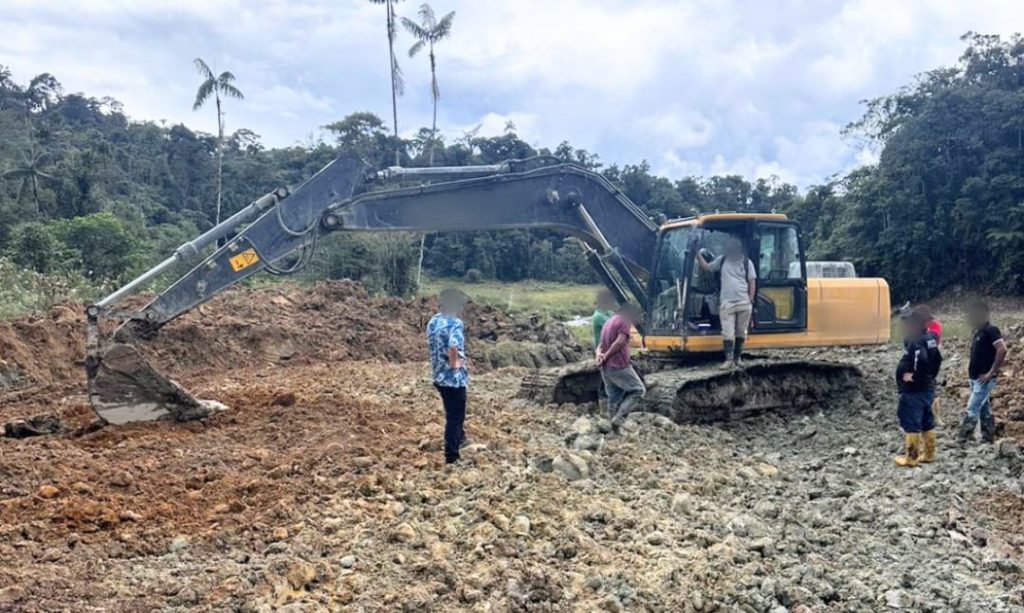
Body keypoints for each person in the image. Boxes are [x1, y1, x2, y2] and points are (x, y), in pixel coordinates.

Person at [695, 236, 757, 368]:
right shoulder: (722, 260)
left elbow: (752, 282)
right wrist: (696, 253)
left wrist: (750, 299)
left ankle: (737, 358)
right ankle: (729, 359)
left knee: (741, 331)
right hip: (727, 303)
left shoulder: (747, 263)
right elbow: (706, 267)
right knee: (728, 332)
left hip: (743, 302)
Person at [427, 288, 470, 464]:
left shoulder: (433, 322)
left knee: (450, 412)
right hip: (453, 379)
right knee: (455, 417)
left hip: (438, 376)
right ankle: (452, 456)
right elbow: (453, 346)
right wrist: (455, 364)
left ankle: (461, 438)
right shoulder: (455, 324)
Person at [957, 301, 1007, 445]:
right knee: (984, 408)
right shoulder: (977, 332)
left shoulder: (991, 330)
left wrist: (991, 372)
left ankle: (963, 439)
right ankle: (988, 436)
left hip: (984, 379)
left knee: (972, 407)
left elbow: (1002, 349)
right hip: (974, 377)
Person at [894, 310, 937, 467]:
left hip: (913, 390)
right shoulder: (931, 337)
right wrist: (930, 376)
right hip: (927, 388)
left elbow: (922, 358)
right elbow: (937, 358)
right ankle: (929, 454)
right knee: (927, 420)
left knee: (911, 421)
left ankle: (911, 458)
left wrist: (915, 377)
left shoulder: (916, 341)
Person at [596, 303, 646, 431]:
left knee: (614, 396)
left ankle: (613, 429)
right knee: (638, 390)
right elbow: (619, 342)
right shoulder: (624, 321)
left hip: (606, 367)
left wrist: (600, 356)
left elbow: (600, 345)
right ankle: (620, 418)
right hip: (619, 365)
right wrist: (606, 355)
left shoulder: (609, 321)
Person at [915, 304, 944, 424]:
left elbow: (932, 342)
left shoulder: (934, 325)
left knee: (931, 388)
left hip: (931, 358)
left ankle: (935, 416)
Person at [592, 289, 618, 413]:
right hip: (603, 352)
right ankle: (603, 408)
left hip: (613, 351)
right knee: (605, 380)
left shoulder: (608, 313)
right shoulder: (598, 317)